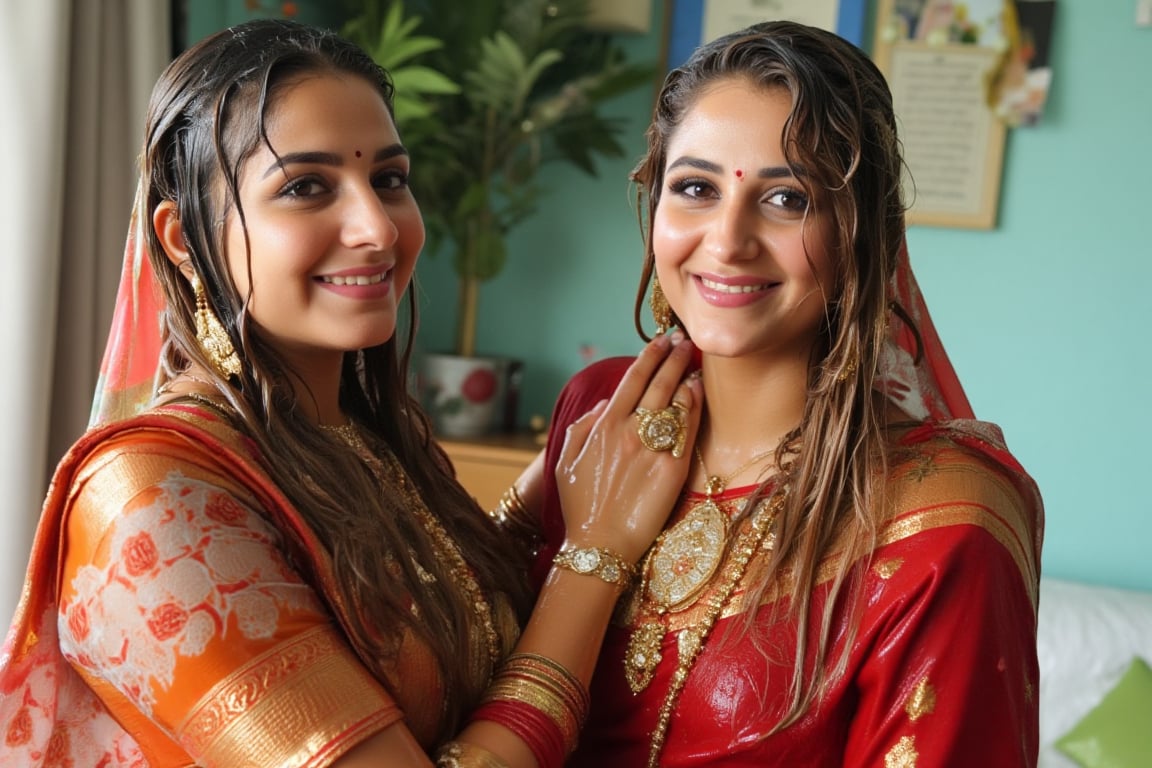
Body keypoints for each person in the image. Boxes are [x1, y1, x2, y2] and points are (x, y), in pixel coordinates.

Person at [0, 19, 705, 767]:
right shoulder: (151, 498)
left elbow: (450, 623)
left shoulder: (350, 439)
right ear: (182, 238)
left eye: (389, 180)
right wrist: (591, 558)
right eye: (306, 187)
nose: (376, 226)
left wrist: (537, 506)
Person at [528, 20, 1045, 767]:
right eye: (696, 188)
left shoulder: (941, 523)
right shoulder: (604, 408)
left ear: (862, 233)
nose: (728, 240)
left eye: (788, 199)